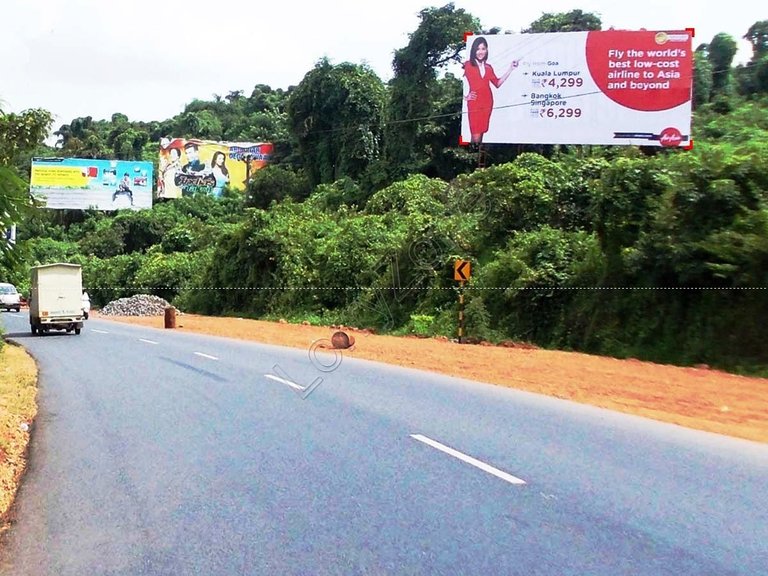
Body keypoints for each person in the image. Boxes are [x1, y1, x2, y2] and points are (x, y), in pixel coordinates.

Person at [463, 36, 519, 144]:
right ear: (474, 50)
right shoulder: (467, 65)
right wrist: (465, 97)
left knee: (481, 134)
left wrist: (510, 69)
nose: (480, 52)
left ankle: (476, 156)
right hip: (474, 104)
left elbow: (497, 83)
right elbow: (457, 81)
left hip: (487, 102)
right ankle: (472, 156)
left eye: (483, 49)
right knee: (475, 135)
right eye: (478, 49)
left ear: (486, 50)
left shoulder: (489, 67)